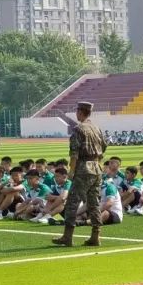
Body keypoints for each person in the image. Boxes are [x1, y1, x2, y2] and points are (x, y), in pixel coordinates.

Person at [53, 101, 106, 247]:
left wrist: (71, 171)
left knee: (72, 203)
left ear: (80, 112)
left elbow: (74, 153)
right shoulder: (96, 128)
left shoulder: (78, 129)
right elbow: (103, 147)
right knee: (94, 203)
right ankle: (95, 235)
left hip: (83, 168)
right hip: (96, 168)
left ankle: (67, 236)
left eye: (77, 111)